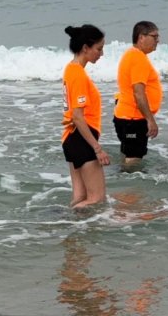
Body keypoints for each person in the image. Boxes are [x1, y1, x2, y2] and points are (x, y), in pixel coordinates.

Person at [61, 24, 110, 208]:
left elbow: (73, 113)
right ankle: (64, 223)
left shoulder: (70, 69)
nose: (101, 53)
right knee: (96, 199)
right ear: (85, 48)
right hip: (82, 138)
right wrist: (97, 149)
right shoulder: (78, 75)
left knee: (80, 197)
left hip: (72, 138)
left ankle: (70, 230)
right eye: (99, 48)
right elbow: (78, 116)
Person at [113, 21, 163, 167]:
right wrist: (150, 120)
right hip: (133, 120)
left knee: (128, 156)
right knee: (133, 162)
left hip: (126, 117)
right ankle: (128, 189)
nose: (158, 40)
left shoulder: (131, 54)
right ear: (141, 37)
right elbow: (138, 93)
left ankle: (122, 188)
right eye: (154, 36)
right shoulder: (138, 59)